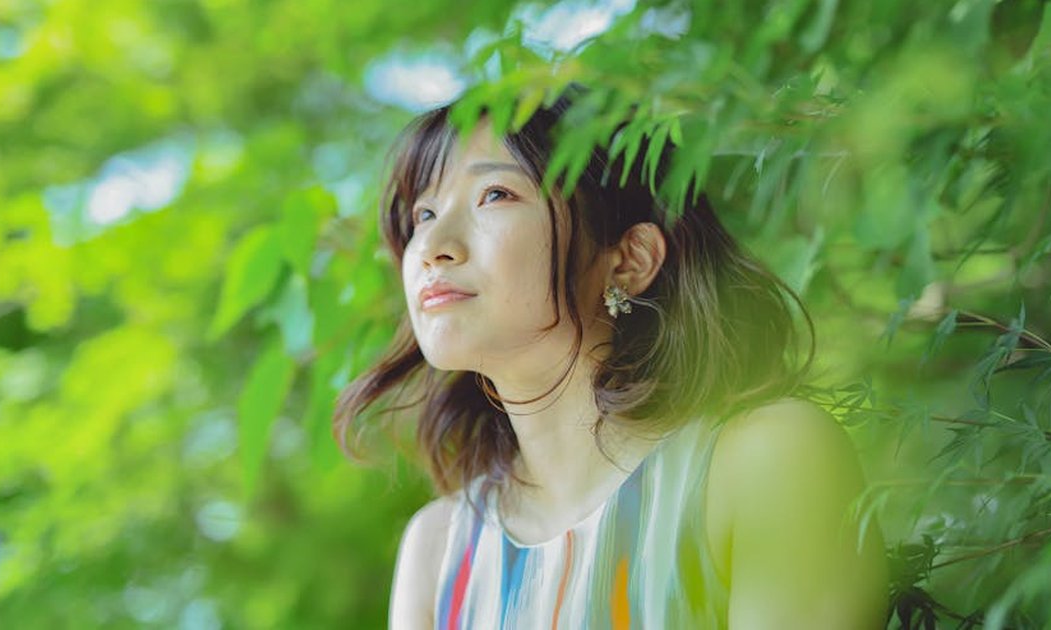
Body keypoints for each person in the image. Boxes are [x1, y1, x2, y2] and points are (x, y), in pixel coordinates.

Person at [334, 88, 889, 629]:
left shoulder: (766, 462)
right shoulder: (439, 552)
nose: (432, 247)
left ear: (629, 258)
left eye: (495, 195)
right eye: (424, 213)